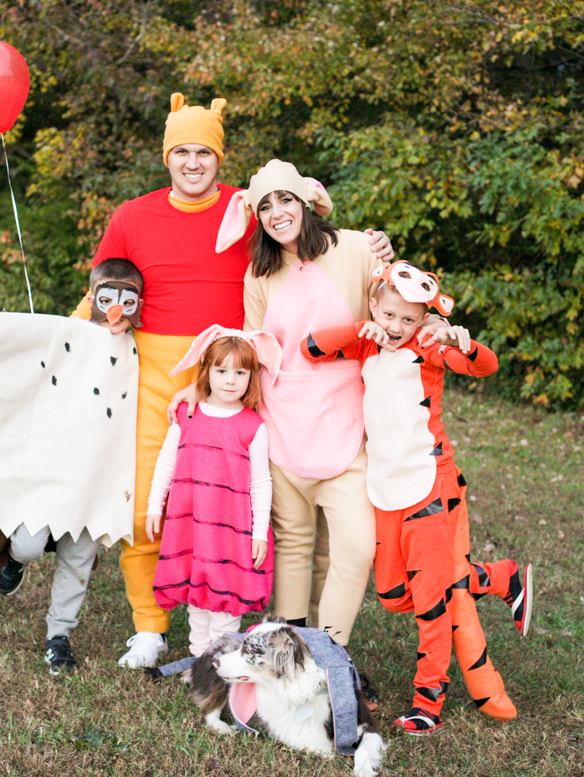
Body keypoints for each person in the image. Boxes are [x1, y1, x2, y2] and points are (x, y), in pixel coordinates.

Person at [74, 94, 395, 666]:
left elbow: (364, 279)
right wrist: (62, 342)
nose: (193, 162)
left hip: (238, 382)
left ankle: (287, 635)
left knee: (247, 511)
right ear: (166, 157)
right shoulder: (133, 216)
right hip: (158, 377)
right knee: (152, 498)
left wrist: (381, 252)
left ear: (219, 159)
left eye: (204, 151)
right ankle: (150, 626)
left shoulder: (248, 217)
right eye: (182, 152)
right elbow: (97, 298)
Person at [301, 259, 533, 733]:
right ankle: (499, 577)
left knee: (431, 601)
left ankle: (428, 700)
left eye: (409, 319)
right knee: (391, 594)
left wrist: (461, 341)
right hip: (383, 488)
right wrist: (362, 326)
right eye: (390, 315)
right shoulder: (366, 343)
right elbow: (312, 347)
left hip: (430, 484)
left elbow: (483, 365)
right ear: (375, 305)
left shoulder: (427, 347)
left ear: (423, 319)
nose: (398, 327)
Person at [205, 159, 401, 648]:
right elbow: (254, 349)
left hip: (346, 424)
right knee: (294, 544)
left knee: (354, 549)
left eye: (285, 200)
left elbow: (401, 308)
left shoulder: (356, 246)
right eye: (265, 206)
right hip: (283, 425)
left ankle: (330, 655)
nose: (276, 213)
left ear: (306, 201)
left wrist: (437, 325)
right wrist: (202, 388)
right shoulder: (259, 273)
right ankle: (289, 653)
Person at [0, 258, 144, 675]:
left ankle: (59, 635)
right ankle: (14, 559)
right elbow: (26, 332)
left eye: (128, 299)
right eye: (108, 298)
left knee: (79, 557)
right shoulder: (71, 332)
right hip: (55, 469)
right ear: (93, 297)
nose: (117, 309)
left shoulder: (143, 346)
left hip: (100, 475)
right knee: (31, 543)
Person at [147, 329, 279, 656]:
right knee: (198, 598)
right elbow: (166, 462)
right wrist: (154, 505)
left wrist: (259, 532)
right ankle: (198, 660)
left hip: (232, 530)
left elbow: (261, 481)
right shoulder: (187, 414)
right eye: (221, 371)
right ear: (206, 373)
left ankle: (221, 665)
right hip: (193, 524)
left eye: (240, 372)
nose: (230, 380)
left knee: (225, 599)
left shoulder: (253, 426)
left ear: (252, 377)